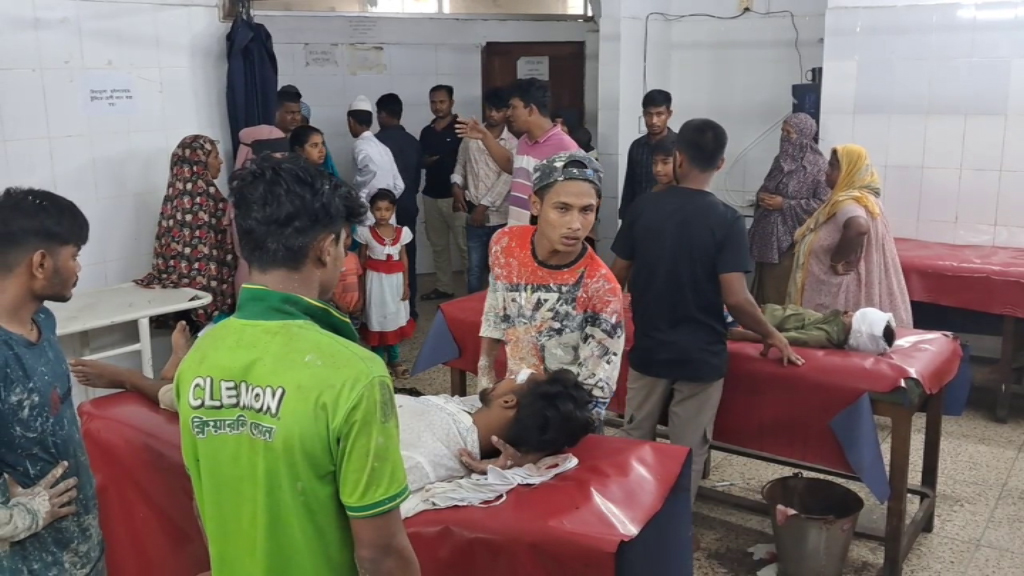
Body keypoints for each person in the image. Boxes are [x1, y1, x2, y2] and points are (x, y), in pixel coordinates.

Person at [174, 155, 419, 576]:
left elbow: (205, 506)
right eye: (343, 245)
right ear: (326, 249)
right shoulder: (354, 374)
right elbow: (380, 553)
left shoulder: (199, 358)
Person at [610, 119, 803, 507]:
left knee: (635, 437)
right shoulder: (726, 220)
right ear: (720, 163)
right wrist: (771, 333)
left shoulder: (643, 208)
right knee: (686, 451)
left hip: (650, 347)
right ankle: (675, 525)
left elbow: (616, 278)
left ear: (678, 158)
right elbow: (736, 298)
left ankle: (629, 517)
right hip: (700, 354)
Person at [0, 187, 104, 575]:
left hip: (83, 547)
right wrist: (24, 515)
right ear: (41, 263)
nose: (78, 268)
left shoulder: (42, 320)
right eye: (74, 255)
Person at [479, 152, 624, 421]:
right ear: (535, 205)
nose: (575, 225)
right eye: (562, 209)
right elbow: (495, 314)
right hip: (513, 405)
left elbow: (595, 393)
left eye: (586, 210)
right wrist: (485, 381)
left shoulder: (601, 287)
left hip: (564, 420)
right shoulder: (505, 243)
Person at [400, 369, 595, 491]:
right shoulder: (470, 409)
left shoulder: (426, 457)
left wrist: (522, 461)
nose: (511, 372)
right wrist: (525, 457)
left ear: (508, 401)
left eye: (518, 376)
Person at [787, 144, 913, 327]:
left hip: (841, 290)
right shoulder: (868, 199)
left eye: (833, 167)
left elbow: (858, 227)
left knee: (836, 333)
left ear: (849, 171)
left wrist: (836, 260)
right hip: (858, 286)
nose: (826, 172)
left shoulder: (849, 201)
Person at [136, 135, 236, 330]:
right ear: (199, 162)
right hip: (208, 301)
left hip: (181, 299)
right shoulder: (207, 202)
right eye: (215, 156)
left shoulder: (174, 198)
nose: (221, 161)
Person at [456, 78, 579, 227]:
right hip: (519, 231)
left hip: (543, 235)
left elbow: (572, 204)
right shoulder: (524, 140)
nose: (508, 114)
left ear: (531, 110)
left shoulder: (565, 149)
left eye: (513, 107)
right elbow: (511, 166)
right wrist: (485, 136)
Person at [748, 113, 830, 305]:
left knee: (778, 292)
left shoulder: (817, 166)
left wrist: (784, 204)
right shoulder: (780, 160)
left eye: (789, 133)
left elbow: (823, 205)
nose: (784, 137)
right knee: (761, 291)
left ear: (803, 135)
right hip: (767, 240)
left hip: (791, 243)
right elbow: (767, 187)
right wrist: (761, 197)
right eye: (782, 132)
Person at [452, 86, 517, 294]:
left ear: (507, 112)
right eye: (489, 109)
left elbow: (506, 179)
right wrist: (456, 186)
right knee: (474, 269)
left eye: (498, 110)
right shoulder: (470, 137)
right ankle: (473, 309)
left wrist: (482, 207)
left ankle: (496, 310)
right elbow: (460, 164)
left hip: (499, 218)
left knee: (498, 270)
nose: (492, 114)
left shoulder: (513, 144)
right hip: (473, 215)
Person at [356, 190, 416, 379]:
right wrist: (361, 288)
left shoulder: (402, 232)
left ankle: (395, 360)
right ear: (371, 210)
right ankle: (378, 361)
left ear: (393, 210)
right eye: (378, 209)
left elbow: (404, 259)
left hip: (395, 284)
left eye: (387, 209)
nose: (382, 214)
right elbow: (361, 260)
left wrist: (406, 284)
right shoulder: (366, 233)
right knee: (377, 318)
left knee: (393, 318)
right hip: (375, 284)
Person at [375, 93, 423, 317]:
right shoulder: (413, 142)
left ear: (382, 114)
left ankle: (386, 311)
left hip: (382, 211)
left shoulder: (376, 143)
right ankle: (410, 307)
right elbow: (416, 179)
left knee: (382, 260)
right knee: (407, 256)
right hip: (408, 206)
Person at [418, 85, 466, 301]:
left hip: (457, 198)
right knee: (438, 246)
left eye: (442, 102)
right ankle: (444, 287)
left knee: (465, 246)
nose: (437, 107)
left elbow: (469, 163)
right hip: (431, 195)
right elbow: (420, 160)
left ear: (451, 103)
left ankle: (474, 291)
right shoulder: (427, 131)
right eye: (433, 102)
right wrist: (425, 162)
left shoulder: (462, 129)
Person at [728, 304, 897, 355]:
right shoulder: (835, 325)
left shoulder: (823, 336)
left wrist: (742, 334)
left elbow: (783, 338)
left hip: (748, 320)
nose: (849, 312)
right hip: (757, 314)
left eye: (854, 316)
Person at [620, 89, 675, 220]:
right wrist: (625, 216)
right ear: (643, 114)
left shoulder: (679, 145)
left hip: (670, 215)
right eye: (649, 115)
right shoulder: (637, 146)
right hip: (640, 215)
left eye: (659, 114)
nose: (653, 121)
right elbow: (630, 185)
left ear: (669, 114)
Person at [348, 95, 405, 221]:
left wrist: (360, 196)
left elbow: (371, 169)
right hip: (389, 219)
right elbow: (399, 185)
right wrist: (386, 202)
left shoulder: (360, 145)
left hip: (369, 215)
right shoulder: (383, 147)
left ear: (351, 121)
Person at [333, 233, 364, 321]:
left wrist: (361, 301)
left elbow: (360, 279)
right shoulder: (332, 260)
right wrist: (339, 304)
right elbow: (326, 285)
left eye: (347, 237)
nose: (344, 241)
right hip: (338, 308)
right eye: (340, 237)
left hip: (355, 307)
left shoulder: (354, 257)